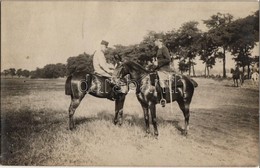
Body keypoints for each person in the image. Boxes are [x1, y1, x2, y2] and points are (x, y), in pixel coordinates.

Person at [153, 34, 186, 107]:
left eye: (155, 41)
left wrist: (158, 63)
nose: (154, 42)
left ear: (159, 41)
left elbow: (168, 59)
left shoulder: (164, 49)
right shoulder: (158, 49)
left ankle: (163, 99)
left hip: (165, 69)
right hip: (159, 69)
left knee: (162, 81)